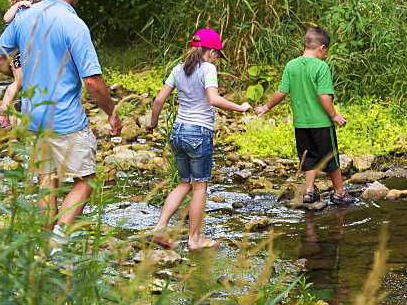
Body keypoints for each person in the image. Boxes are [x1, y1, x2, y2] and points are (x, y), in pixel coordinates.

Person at [0, 0, 122, 231]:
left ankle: (42, 245)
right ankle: (59, 240)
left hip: (34, 116)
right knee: (86, 181)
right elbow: (93, 82)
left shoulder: (24, 16)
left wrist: (20, 77)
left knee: (47, 181)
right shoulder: (74, 24)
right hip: (65, 119)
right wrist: (111, 112)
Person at [146, 28, 251, 251]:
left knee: (184, 183)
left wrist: (152, 124)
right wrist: (239, 108)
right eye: (218, 55)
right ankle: (194, 240)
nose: (218, 60)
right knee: (199, 187)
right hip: (199, 132)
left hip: (178, 131)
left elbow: (159, 99)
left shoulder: (178, 69)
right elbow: (214, 99)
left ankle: (159, 228)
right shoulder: (209, 68)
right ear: (211, 52)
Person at [255, 26, 356, 206]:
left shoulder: (291, 65)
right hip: (321, 123)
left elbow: (282, 91)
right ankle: (339, 193)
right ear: (322, 48)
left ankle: (309, 192)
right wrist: (333, 115)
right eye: (326, 51)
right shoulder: (321, 66)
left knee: (308, 158)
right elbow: (323, 95)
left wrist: (267, 106)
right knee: (330, 158)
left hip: (301, 124)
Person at [0, 0, 49, 129]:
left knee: (28, 83)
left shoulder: (37, 12)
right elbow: (6, 18)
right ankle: (3, 110)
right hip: (20, 56)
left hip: (31, 55)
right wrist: (18, 5)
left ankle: (24, 109)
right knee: (19, 82)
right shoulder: (17, 11)